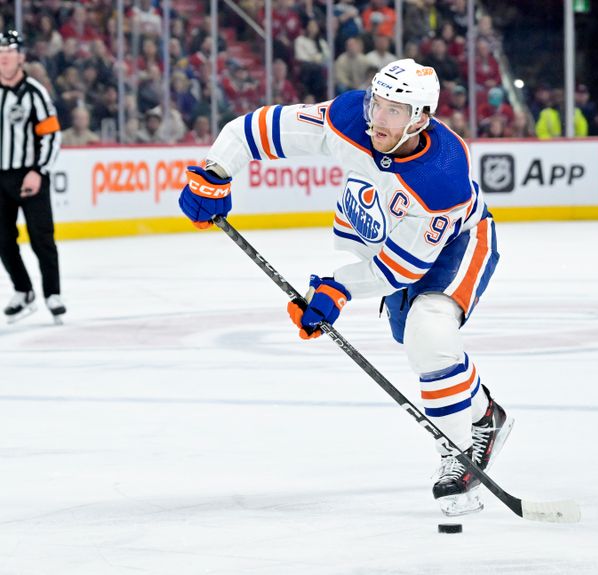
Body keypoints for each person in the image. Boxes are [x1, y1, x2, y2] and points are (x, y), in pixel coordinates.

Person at [178, 59, 513, 517]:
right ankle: (485, 417)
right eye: (377, 103)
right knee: (419, 343)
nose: (377, 118)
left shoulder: (443, 177)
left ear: (420, 119)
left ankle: (458, 456)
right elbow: (252, 131)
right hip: (387, 234)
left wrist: (336, 288)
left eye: (394, 111)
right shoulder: (349, 116)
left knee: (429, 336)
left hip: (456, 242)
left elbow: (401, 268)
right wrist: (215, 172)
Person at [0, 30, 65, 323]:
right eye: (0, 52)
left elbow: (51, 135)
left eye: (10, 51)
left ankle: (53, 293)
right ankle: (23, 290)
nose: (4, 57)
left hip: (31, 175)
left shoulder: (35, 92)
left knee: (42, 238)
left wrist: (38, 171)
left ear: (21, 57)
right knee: (2, 240)